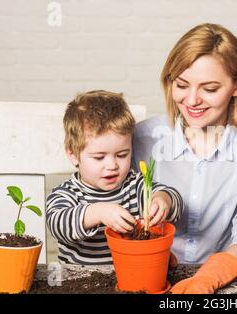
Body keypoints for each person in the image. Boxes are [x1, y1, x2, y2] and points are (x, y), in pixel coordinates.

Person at [133, 23, 237, 293]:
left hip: (224, 280)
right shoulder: (143, 139)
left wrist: (210, 276)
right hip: (151, 275)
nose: (192, 100)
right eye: (181, 84)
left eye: (210, 89)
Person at [46, 90, 183, 265]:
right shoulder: (67, 193)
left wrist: (164, 200)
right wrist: (98, 212)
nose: (112, 165)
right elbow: (58, 225)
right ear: (73, 155)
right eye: (99, 157)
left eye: (122, 154)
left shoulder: (134, 185)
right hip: (80, 280)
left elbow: (174, 199)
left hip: (133, 276)